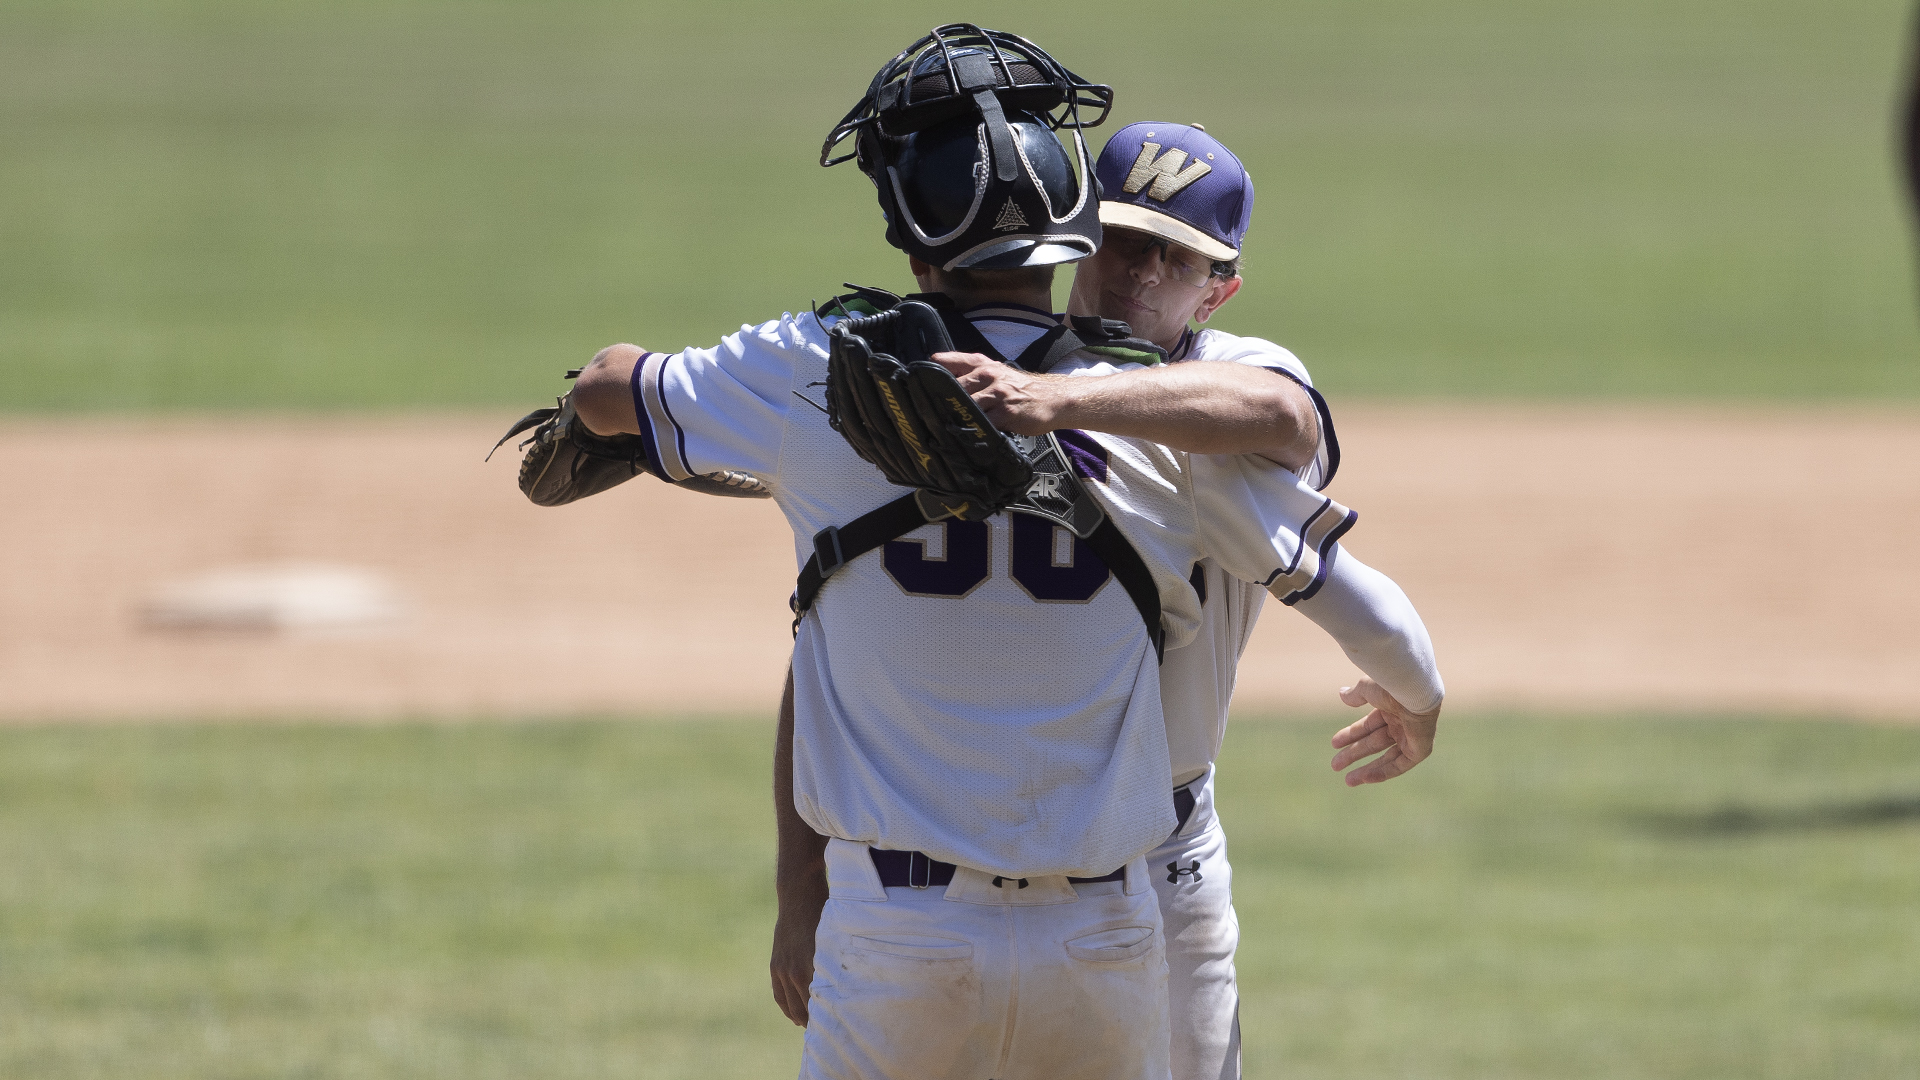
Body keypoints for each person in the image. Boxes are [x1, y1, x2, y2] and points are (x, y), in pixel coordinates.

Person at [558, 26, 1385, 1080]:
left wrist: (600, 400)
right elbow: (1287, 423)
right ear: (1073, 226)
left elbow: (610, 390)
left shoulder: (809, 367)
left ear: (907, 228)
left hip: (896, 940)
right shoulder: (1165, 414)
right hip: (1107, 936)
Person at [766, 121, 1445, 1080]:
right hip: (937, 859)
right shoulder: (952, 376)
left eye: (1176, 256)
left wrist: (1058, 403)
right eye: (1122, 239)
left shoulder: (1233, 384)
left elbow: (1287, 417)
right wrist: (800, 892)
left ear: (1221, 287)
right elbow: (827, 642)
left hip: (1157, 860)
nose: (1139, 269)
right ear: (1076, 239)